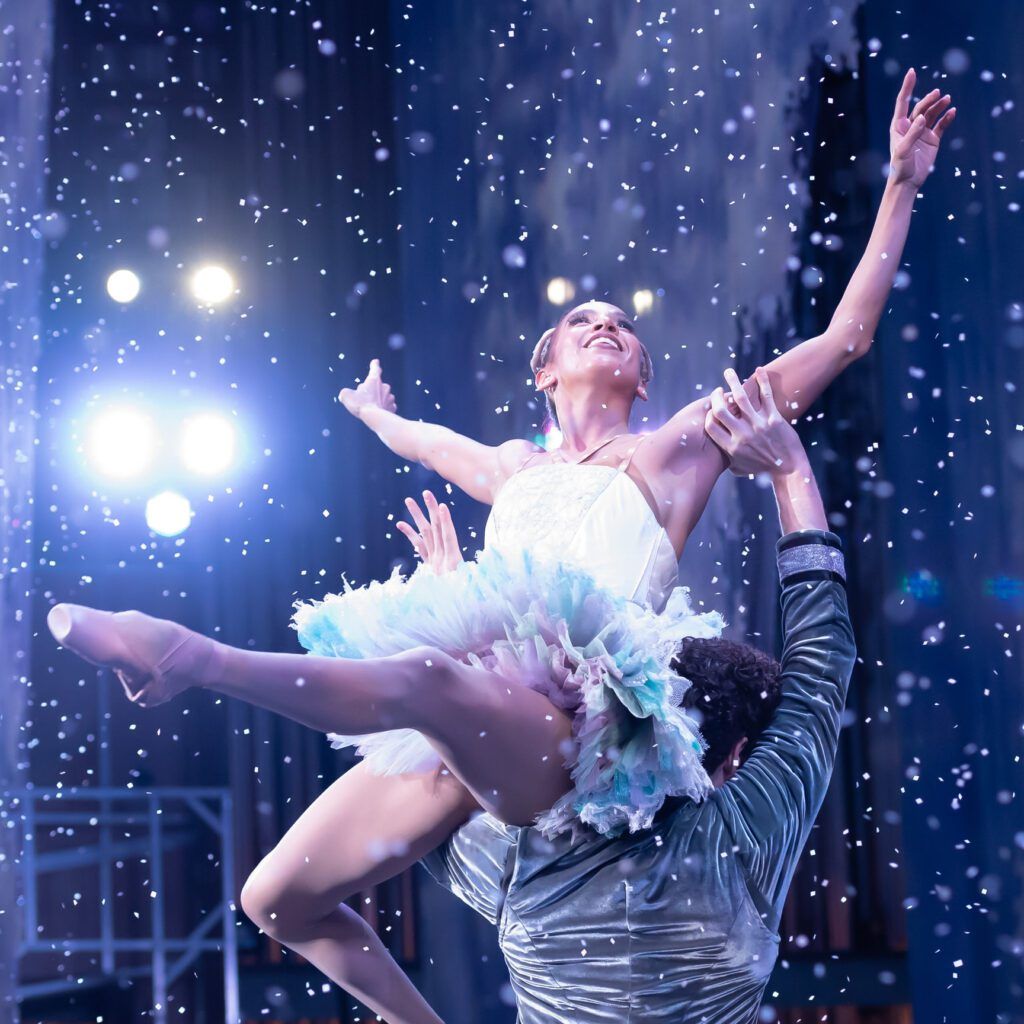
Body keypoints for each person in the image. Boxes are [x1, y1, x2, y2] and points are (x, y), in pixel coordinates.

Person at [44, 70, 951, 1024]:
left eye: (623, 328)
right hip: (488, 712)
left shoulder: (673, 452)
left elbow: (845, 339)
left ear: (642, 378)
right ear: (545, 370)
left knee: (422, 679)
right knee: (276, 900)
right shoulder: (514, 466)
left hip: (588, 719)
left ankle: (191, 656)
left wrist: (898, 184)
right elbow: (427, 444)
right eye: (582, 323)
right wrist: (373, 416)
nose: (606, 326)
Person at [414, 387, 853, 1023]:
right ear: (736, 754)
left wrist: (452, 623)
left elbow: (431, 794)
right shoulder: (749, 832)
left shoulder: (526, 852)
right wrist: (791, 470)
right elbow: (821, 667)